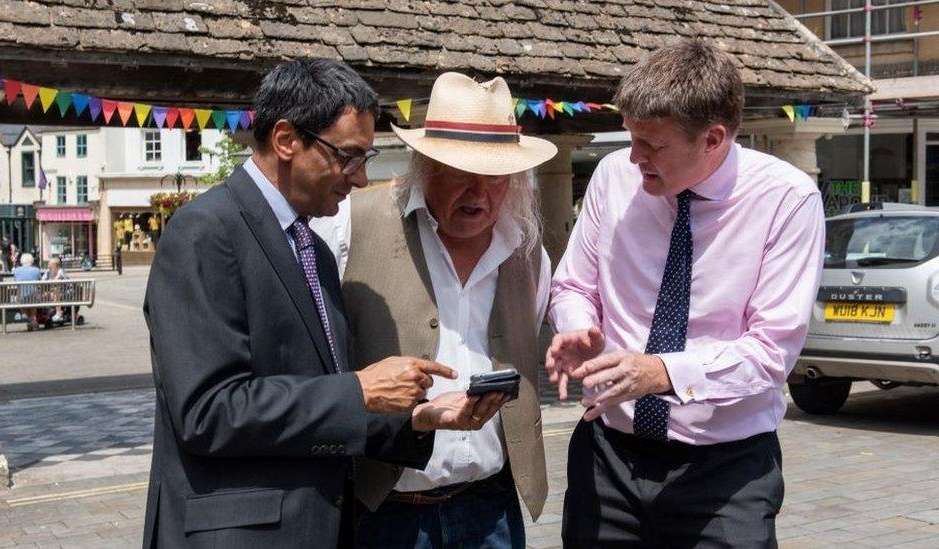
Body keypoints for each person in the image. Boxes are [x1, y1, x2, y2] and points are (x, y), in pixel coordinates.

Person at [142, 59, 501, 549]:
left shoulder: (313, 248)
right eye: (349, 157)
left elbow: (314, 405)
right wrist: (359, 390)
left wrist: (416, 420)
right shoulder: (204, 232)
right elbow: (208, 411)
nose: (359, 178)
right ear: (287, 140)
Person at [547, 39, 825, 547]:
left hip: (725, 473)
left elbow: (770, 354)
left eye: (653, 145)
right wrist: (577, 328)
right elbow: (572, 285)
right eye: (631, 138)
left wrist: (659, 373)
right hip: (608, 455)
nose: (634, 157)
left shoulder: (788, 200)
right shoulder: (612, 177)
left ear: (714, 139)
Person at [341, 72, 557, 548]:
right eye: (461, 172)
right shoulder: (353, 224)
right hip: (382, 511)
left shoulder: (527, 250)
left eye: (496, 176)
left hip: (489, 511)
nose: (479, 192)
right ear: (425, 164)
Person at [12, 253, 42, 331]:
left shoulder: (16, 270)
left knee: (23, 300)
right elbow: (40, 281)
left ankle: (30, 320)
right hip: (34, 296)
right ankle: (33, 320)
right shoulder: (36, 270)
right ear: (31, 261)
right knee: (32, 300)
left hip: (22, 297)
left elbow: (15, 282)